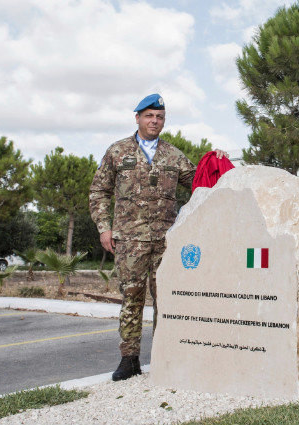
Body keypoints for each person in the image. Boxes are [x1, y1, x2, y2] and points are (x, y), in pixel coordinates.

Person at [89, 93, 227, 381]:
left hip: (166, 242)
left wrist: (216, 161)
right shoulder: (117, 152)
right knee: (132, 299)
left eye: (160, 117)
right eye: (149, 115)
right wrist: (104, 227)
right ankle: (129, 360)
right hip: (129, 241)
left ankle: (168, 356)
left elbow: (201, 183)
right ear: (137, 117)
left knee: (169, 300)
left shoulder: (173, 156)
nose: (155, 121)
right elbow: (99, 191)